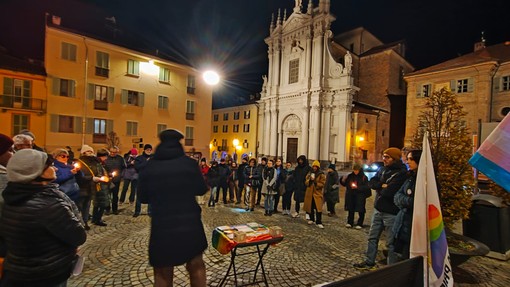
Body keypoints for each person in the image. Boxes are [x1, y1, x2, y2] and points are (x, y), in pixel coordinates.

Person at [0, 149, 86, 286]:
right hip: (48, 273)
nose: (54, 168)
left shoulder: (9, 197)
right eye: (49, 166)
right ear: (36, 172)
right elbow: (79, 235)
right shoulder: (48, 204)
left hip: (17, 270)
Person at [137, 129, 207, 287]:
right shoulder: (189, 164)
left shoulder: (150, 166)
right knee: (196, 266)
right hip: (190, 222)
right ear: (179, 143)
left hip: (162, 224)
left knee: (162, 271)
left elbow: (143, 197)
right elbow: (201, 189)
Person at [354, 147, 407, 270]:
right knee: (372, 237)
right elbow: (372, 182)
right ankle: (369, 262)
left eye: (387, 157)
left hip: (391, 213)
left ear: (394, 158)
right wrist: (380, 185)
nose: (384, 159)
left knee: (390, 243)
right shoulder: (383, 169)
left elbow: (389, 192)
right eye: (383, 156)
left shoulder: (401, 173)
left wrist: (381, 187)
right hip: (378, 210)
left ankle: (391, 269)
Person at [393, 149, 422, 260]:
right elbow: (397, 196)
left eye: (410, 159)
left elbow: (417, 202)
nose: (407, 162)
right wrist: (406, 201)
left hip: (414, 228)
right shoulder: (410, 178)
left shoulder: (424, 181)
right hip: (402, 224)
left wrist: (407, 201)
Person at [341, 163, 370, 229]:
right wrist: (342, 180)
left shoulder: (364, 177)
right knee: (350, 209)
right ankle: (350, 222)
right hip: (351, 195)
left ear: (360, 170)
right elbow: (345, 184)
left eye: (356, 170)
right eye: (354, 170)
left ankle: (360, 223)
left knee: (361, 209)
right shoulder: (350, 176)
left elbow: (366, 187)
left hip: (360, 196)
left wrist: (357, 187)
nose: (355, 171)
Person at [304, 160, 326, 229]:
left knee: (318, 208)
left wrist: (316, 183)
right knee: (310, 206)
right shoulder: (310, 173)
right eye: (313, 166)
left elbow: (322, 183)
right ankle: (312, 219)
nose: (314, 168)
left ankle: (319, 221)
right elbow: (306, 181)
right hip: (309, 192)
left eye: (316, 166)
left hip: (317, 193)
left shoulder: (321, 174)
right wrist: (310, 180)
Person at [105, 146, 126, 215]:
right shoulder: (106, 158)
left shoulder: (120, 158)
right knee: (107, 195)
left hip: (116, 180)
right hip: (107, 179)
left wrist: (121, 176)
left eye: (114, 152)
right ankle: (107, 208)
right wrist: (107, 174)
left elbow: (124, 167)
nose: (112, 153)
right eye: (111, 152)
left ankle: (114, 209)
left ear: (117, 152)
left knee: (115, 195)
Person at [134, 144, 153, 217]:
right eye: (147, 150)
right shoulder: (139, 158)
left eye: (150, 150)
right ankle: (137, 211)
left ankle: (150, 211)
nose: (149, 151)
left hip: (151, 179)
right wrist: (146, 162)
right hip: (141, 179)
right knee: (139, 195)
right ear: (144, 150)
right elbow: (137, 167)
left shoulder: (154, 158)